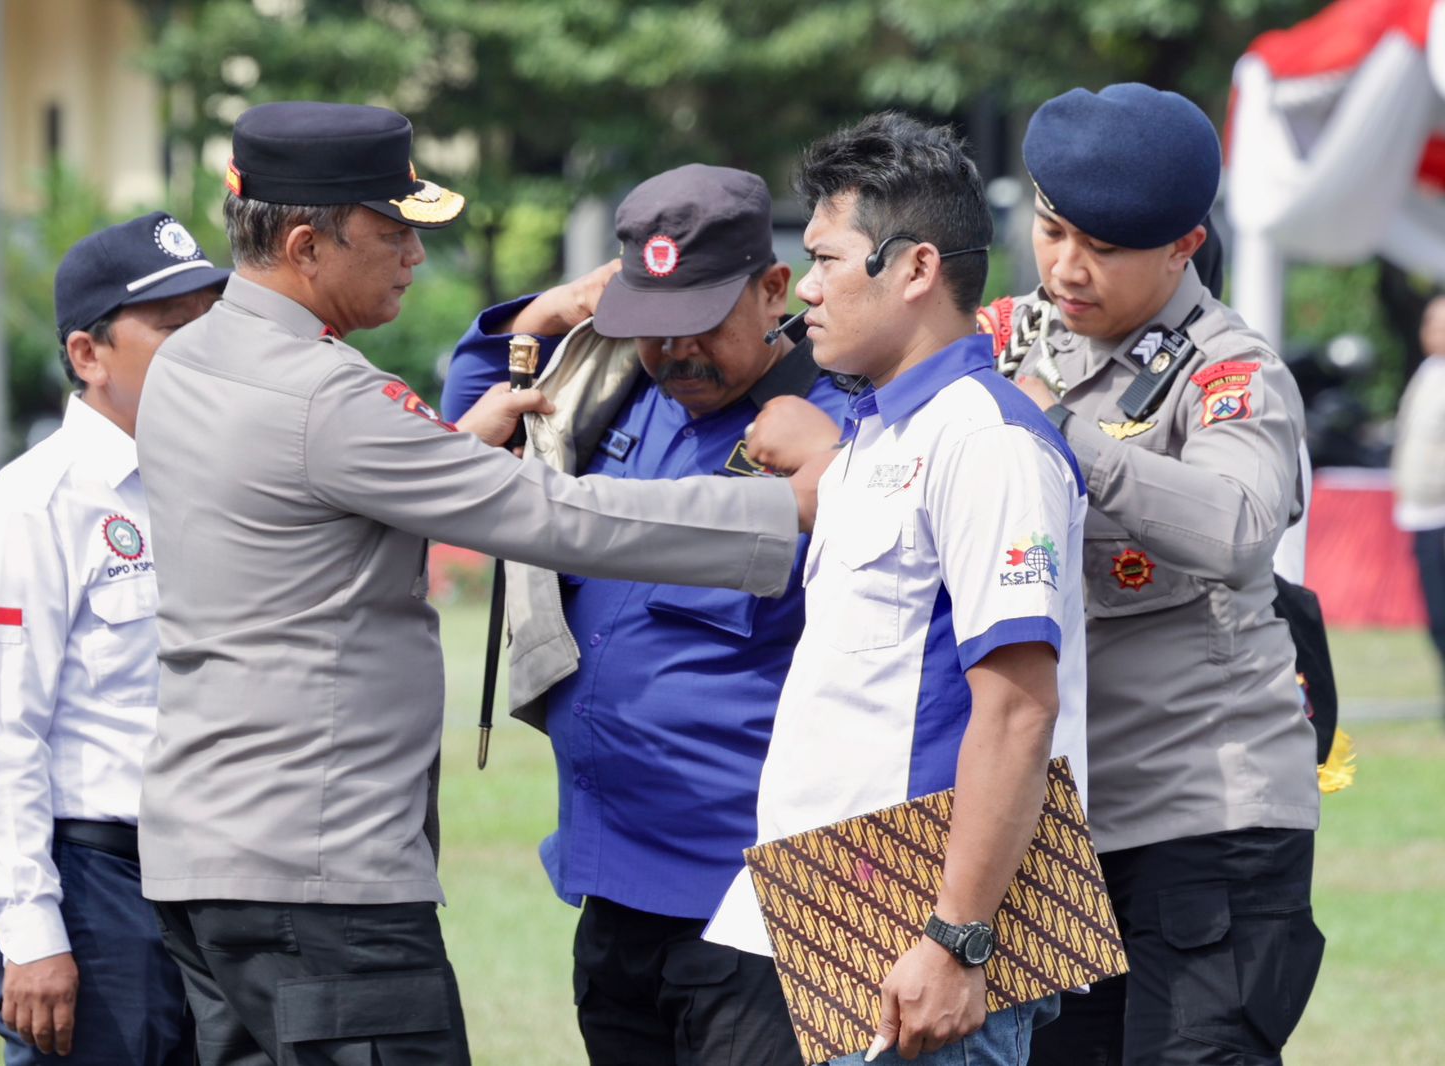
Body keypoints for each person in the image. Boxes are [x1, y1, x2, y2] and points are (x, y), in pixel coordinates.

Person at [132, 102, 824, 1066]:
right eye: (393, 231)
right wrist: (791, 508)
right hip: (322, 880)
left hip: (205, 860)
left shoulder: (190, 359)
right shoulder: (328, 398)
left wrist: (465, 431)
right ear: (304, 243)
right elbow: (556, 515)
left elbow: (317, 501)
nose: (414, 256)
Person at [440, 163, 852, 1066]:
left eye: (696, 324)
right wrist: (550, 311)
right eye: (648, 329)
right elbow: (469, 416)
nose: (673, 355)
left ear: (772, 289)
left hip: (759, 909)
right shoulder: (624, 389)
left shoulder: (838, 429)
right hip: (611, 889)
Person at [704, 112, 1088, 1066]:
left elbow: (1017, 710)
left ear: (914, 270)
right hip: (843, 907)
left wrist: (958, 939)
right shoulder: (882, 432)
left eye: (829, 258)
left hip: (921, 928)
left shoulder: (986, 442)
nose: (806, 288)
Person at [989, 85, 1322, 1065]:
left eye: (1103, 246)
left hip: (1205, 817)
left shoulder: (1229, 370)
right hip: (1056, 825)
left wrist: (1058, 429)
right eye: (1051, 231)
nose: (1066, 266)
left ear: (1181, 244)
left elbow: (1236, 522)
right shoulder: (1005, 335)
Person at [0, 212, 228, 1063]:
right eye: (174, 331)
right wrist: (32, 931)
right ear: (88, 355)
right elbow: (1, 733)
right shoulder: (34, 503)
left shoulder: (216, 477)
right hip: (94, 885)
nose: (204, 350)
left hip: (218, 884)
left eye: (212, 325)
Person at [1392, 294, 1445, 713]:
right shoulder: (1428, 372)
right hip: (1422, 512)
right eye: (1431, 321)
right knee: (1437, 616)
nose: (1434, 331)